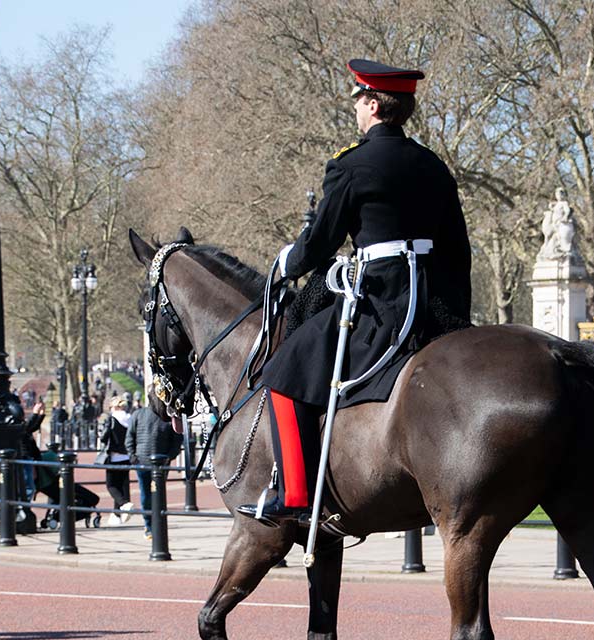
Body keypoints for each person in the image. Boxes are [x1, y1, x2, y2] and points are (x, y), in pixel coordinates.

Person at [238, 58, 472, 524]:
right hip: (432, 299)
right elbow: (459, 248)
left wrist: (286, 262)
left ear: (371, 103)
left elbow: (321, 241)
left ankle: (295, 495)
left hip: (380, 297)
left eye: (358, 102)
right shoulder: (433, 166)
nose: (356, 111)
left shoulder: (351, 164)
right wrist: (452, 312)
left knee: (283, 372)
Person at [126, 403, 182, 538]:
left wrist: (169, 456)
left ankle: (157, 525)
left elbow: (177, 439)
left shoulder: (168, 416)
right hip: (143, 462)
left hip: (160, 462)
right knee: (146, 496)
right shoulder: (138, 414)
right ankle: (149, 525)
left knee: (158, 496)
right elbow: (130, 437)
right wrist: (133, 456)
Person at [99, 397, 132, 524]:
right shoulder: (130, 418)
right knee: (121, 485)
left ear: (114, 407)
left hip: (114, 456)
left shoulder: (111, 419)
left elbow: (103, 437)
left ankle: (124, 504)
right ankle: (117, 515)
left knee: (111, 485)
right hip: (126, 456)